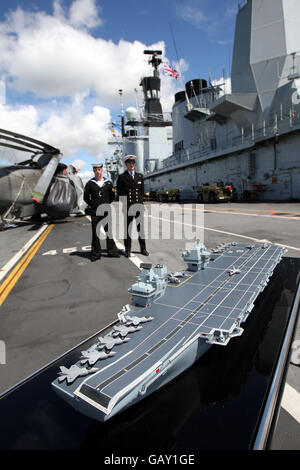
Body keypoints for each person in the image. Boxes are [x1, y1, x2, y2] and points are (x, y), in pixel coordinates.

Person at [84, 163, 120, 261]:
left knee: (109, 232)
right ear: (93, 171)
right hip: (95, 212)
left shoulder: (108, 183)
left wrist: (106, 203)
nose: (97, 172)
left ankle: (112, 252)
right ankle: (96, 254)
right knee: (95, 234)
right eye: (95, 170)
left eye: (99, 169)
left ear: (101, 170)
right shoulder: (90, 184)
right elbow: (85, 197)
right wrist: (93, 204)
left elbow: (112, 196)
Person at [117, 154, 149, 258]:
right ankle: (127, 250)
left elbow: (141, 191)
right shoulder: (122, 177)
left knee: (141, 230)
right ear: (126, 164)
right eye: (129, 163)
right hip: (128, 206)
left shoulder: (140, 176)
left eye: (133, 163)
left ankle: (143, 249)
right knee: (128, 230)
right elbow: (120, 193)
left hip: (138, 206)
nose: (131, 165)